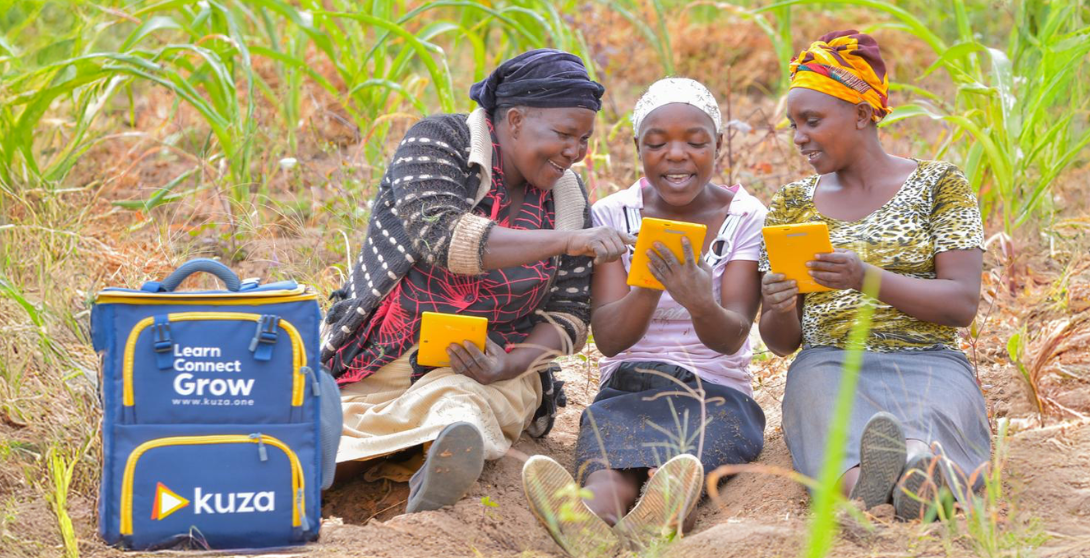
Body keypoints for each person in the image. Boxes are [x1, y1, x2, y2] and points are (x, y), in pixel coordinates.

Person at [318, 49, 632, 514]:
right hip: (385, 355)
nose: (576, 152)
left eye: (584, 139)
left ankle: (434, 461)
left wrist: (510, 364)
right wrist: (567, 240)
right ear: (516, 120)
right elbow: (444, 238)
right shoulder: (439, 141)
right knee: (336, 426)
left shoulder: (567, 194)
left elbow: (569, 314)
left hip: (490, 369)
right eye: (565, 134)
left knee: (461, 406)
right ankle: (366, 468)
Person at [522, 78, 767, 555]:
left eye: (695, 142)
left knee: (684, 468)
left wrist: (699, 300)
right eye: (656, 144)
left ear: (718, 144)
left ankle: (661, 518)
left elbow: (732, 336)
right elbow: (611, 339)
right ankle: (590, 521)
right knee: (609, 469)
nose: (676, 155)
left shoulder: (746, 216)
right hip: (628, 385)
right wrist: (650, 287)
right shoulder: (611, 214)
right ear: (637, 147)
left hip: (716, 391)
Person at [758, 31, 991, 522]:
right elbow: (781, 343)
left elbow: (961, 304)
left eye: (812, 121)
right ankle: (889, 485)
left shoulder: (939, 184)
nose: (798, 137)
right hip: (828, 362)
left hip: (927, 359)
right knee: (828, 418)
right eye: (794, 125)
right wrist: (777, 305)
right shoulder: (792, 203)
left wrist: (866, 277)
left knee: (929, 419)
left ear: (862, 114)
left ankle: (911, 467)